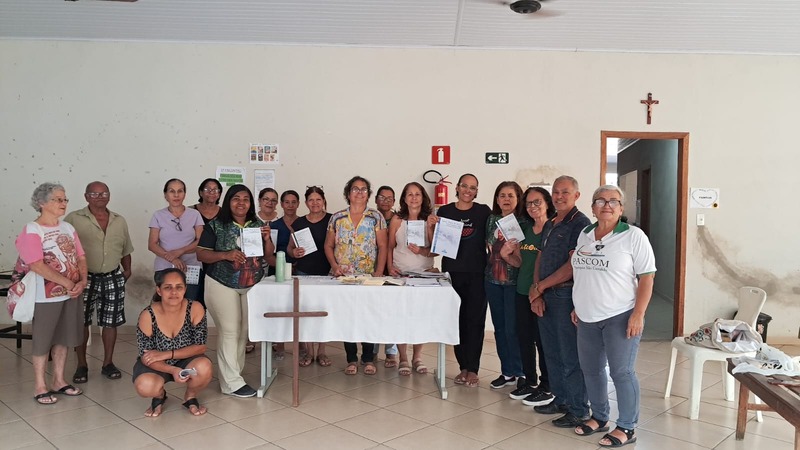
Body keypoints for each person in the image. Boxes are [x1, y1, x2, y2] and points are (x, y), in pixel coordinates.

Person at [571, 185, 655, 447]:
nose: (606, 205)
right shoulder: (585, 234)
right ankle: (599, 417)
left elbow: (647, 277)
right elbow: (582, 272)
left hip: (620, 315)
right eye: (600, 201)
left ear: (621, 208)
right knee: (591, 370)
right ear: (593, 207)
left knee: (621, 372)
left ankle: (627, 427)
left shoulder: (633, 236)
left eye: (613, 201)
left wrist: (638, 314)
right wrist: (578, 304)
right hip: (586, 316)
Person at [15, 183, 87, 405]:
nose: (63, 203)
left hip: (70, 293)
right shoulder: (32, 230)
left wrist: (82, 281)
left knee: (64, 337)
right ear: (42, 203)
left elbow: (81, 257)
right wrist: (68, 282)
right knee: (43, 340)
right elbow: (36, 264)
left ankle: (59, 380)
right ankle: (40, 385)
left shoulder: (68, 227)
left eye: (65, 199)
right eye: (58, 199)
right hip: (44, 296)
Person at [530, 175, 592, 428]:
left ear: (576, 195)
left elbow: (573, 265)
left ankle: (579, 409)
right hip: (546, 295)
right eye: (556, 192)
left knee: (570, 355)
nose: (559, 196)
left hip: (565, 296)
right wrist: (537, 290)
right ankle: (561, 400)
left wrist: (541, 286)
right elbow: (540, 257)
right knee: (552, 352)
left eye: (565, 192)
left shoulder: (582, 225)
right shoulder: (551, 223)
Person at [197, 184, 270, 398]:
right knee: (230, 330)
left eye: (245, 199)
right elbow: (201, 254)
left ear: (251, 203)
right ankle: (231, 383)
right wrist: (225, 255)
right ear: (228, 201)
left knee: (243, 331)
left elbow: (268, 254)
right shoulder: (216, 225)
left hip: (250, 285)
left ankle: (234, 375)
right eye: (236, 198)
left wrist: (267, 239)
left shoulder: (257, 224)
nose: (241, 203)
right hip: (221, 283)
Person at [64, 181, 134, 384]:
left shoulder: (119, 220)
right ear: (86, 197)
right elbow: (64, 248)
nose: (100, 197)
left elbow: (126, 249)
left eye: (104, 193)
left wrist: (127, 271)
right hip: (83, 279)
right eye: (94, 194)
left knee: (110, 322)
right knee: (81, 322)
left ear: (109, 196)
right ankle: (81, 365)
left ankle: (108, 363)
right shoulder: (73, 219)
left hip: (113, 276)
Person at [324, 176, 388, 375]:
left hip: (369, 277)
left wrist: (379, 271)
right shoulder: (337, 218)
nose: (359, 192)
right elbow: (328, 245)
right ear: (348, 193)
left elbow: (383, 246)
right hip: (343, 278)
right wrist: (334, 266)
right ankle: (351, 359)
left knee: (368, 316)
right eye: (355, 189)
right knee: (348, 317)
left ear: (368, 194)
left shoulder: (376, 217)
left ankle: (368, 358)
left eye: (363, 189)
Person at [432, 174, 491, 387]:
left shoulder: (483, 212)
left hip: (478, 274)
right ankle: (462, 367)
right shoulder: (445, 212)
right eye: (464, 186)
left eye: (472, 187)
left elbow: (492, 239)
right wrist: (431, 227)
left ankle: (473, 368)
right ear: (457, 188)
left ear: (477, 191)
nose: (468, 190)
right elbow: (437, 246)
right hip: (452, 274)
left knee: (475, 321)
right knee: (456, 321)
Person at [134, 268, 212, 417]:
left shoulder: (195, 308)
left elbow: (201, 347)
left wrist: (166, 354)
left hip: (187, 359)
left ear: (185, 289)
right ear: (159, 290)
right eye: (168, 287)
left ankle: (190, 397)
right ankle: (159, 396)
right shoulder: (148, 315)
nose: (174, 292)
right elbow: (146, 357)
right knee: (145, 386)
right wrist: (172, 370)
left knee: (204, 367)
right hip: (157, 364)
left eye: (179, 287)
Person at [510, 187, 555, 406]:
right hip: (522, 291)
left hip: (542, 293)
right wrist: (506, 255)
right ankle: (530, 381)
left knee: (543, 341)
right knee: (524, 338)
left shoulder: (553, 229)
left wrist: (539, 291)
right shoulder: (525, 229)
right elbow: (519, 262)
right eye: (528, 203)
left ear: (547, 203)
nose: (532, 207)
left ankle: (547, 386)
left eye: (537, 202)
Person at [387, 182, 435, 376]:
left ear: (423, 197)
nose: (414, 198)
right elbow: (389, 246)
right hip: (401, 274)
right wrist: (389, 267)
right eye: (410, 194)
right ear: (404, 198)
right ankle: (403, 358)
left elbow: (436, 250)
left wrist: (421, 250)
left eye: (417, 194)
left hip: (424, 274)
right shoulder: (397, 220)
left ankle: (417, 357)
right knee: (400, 316)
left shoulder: (429, 219)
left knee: (420, 317)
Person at [484, 181, 526, 389]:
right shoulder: (492, 219)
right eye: (502, 195)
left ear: (518, 198)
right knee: (499, 328)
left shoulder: (523, 221)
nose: (506, 199)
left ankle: (521, 371)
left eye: (511, 195)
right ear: (497, 199)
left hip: (514, 283)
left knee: (513, 329)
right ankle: (507, 372)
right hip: (492, 280)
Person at [287, 186, 333, 367]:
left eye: (318, 199)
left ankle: (322, 351)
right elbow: (290, 247)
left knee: (323, 312)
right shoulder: (299, 223)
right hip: (304, 272)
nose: (315, 203)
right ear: (306, 203)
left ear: (324, 201)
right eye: (311, 200)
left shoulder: (332, 220)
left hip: (327, 273)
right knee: (305, 312)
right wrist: (294, 252)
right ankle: (309, 351)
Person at [148, 178, 204, 301]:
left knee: (190, 304)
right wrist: (173, 258)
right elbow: (152, 244)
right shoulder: (158, 215)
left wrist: (180, 251)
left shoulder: (194, 214)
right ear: (165, 195)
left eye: (180, 191)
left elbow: (201, 242)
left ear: (185, 194)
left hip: (191, 268)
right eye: (172, 191)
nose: (176, 195)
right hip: (164, 268)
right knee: (167, 305)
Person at [269, 189, 300, 359]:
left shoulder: (303, 223)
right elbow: (270, 252)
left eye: (293, 202)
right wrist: (282, 266)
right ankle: (279, 345)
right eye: (286, 202)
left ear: (298, 204)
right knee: (280, 306)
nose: (290, 205)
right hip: (278, 270)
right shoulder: (274, 226)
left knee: (300, 306)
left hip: (300, 270)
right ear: (281, 204)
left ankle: (302, 345)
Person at [374, 185, 399, 368]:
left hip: (393, 270)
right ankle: (372, 350)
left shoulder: (399, 219)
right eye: (382, 198)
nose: (385, 201)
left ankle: (391, 351)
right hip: (373, 270)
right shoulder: (370, 218)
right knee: (374, 311)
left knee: (392, 311)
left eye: (389, 198)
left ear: (394, 201)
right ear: (376, 199)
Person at [190, 178, 223, 308]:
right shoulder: (190, 212)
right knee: (191, 299)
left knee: (212, 301)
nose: (211, 192)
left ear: (219, 194)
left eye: (215, 190)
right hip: (192, 261)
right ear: (200, 192)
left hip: (216, 262)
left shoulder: (225, 214)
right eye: (207, 189)